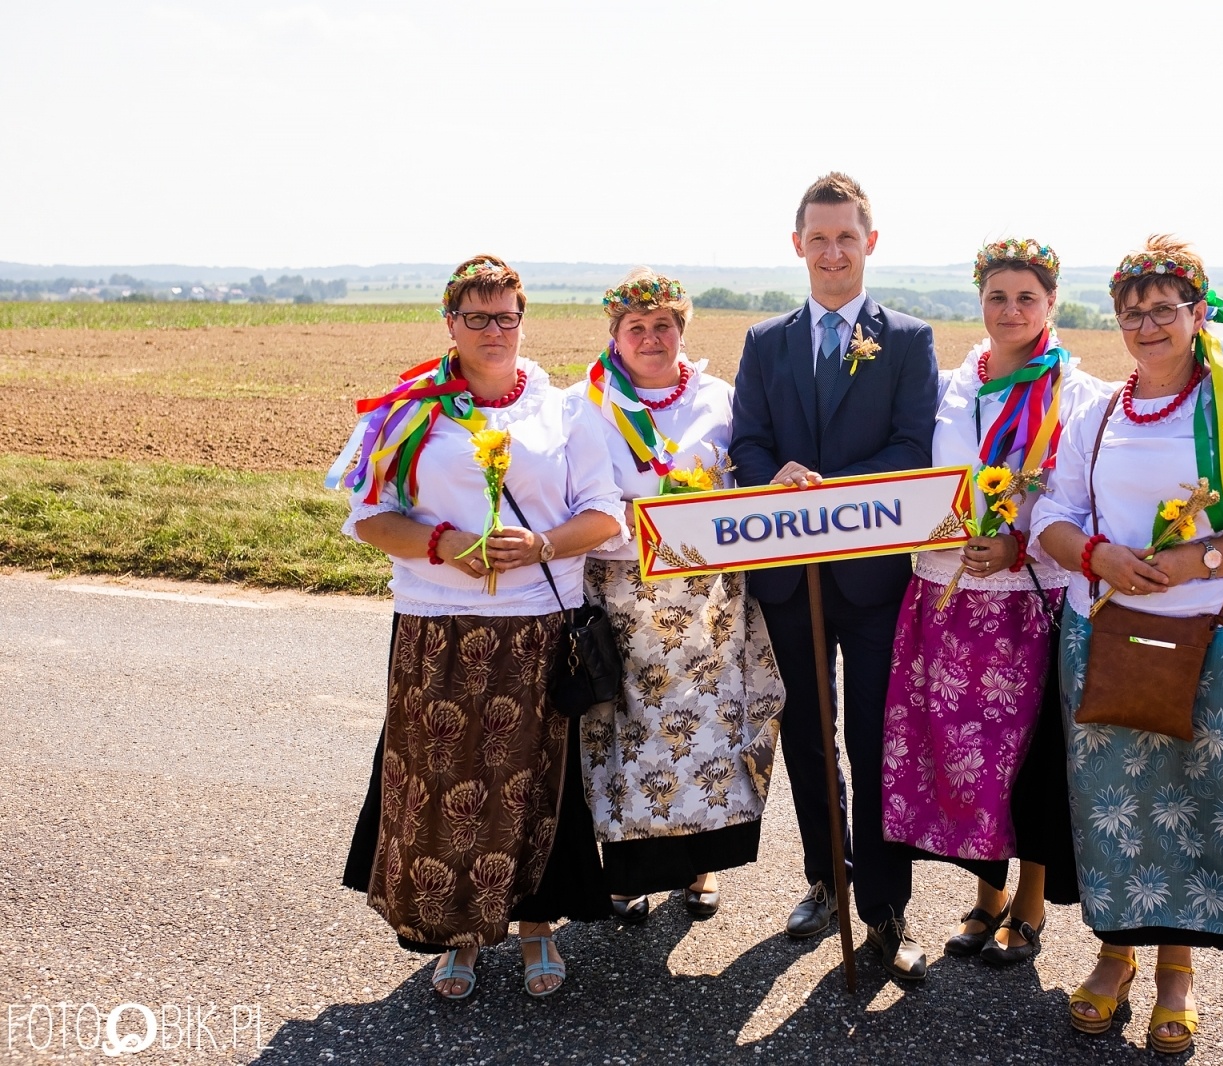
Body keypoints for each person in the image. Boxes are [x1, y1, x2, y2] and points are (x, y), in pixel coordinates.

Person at [1034, 236, 1223, 1055]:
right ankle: (1113, 956)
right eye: (1133, 313)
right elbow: (1049, 513)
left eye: (1165, 310)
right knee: (1115, 811)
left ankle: (1176, 973)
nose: (1147, 325)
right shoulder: (1098, 411)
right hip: (1105, 632)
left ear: (1198, 315)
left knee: (1189, 803)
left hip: (1209, 640)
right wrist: (1095, 554)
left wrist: (1199, 559)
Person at [335, 255, 628, 999]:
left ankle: (536, 929)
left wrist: (541, 545)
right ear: (450, 323)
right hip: (439, 625)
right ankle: (452, 936)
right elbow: (370, 518)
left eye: (506, 316)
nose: (493, 330)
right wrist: (445, 547)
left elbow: (605, 515)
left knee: (534, 788)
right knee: (442, 787)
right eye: (477, 317)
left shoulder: (565, 412)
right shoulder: (407, 410)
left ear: (523, 321)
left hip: (536, 628)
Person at [729, 172, 938, 981]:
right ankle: (827, 881)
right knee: (812, 743)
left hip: (874, 582)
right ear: (797, 246)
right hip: (788, 584)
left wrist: (835, 493)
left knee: (875, 740)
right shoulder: (764, 341)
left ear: (870, 243)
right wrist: (772, 476)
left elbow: (911, 449)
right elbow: (746, 444)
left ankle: (887, 912)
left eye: (846, 236)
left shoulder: (909, 339)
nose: (832, 251)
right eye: (818, 238)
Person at [879, 239, 1101, 969]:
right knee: (965, 761)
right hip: (942, 596)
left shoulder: (1079, 394)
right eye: (998, 296)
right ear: (980, 300)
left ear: (1051, 304)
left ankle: (1029, 909)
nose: (1011, 311)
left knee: (1024, 762)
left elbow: (1083, 504)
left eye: (1026, 298)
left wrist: (1021, 546)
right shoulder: (948, 386)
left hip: (1025, 604)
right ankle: (987, 896)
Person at [571, 268, 786, 922]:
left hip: (708, 608)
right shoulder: (584, 404)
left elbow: (746, 476)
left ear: (681, 329)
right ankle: (627, 876)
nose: (650, 337)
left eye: (663, 324)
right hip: (621, 597)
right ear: (615, 334)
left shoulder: (720, 399)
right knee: (623, 738)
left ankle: (701, 869)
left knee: (708, 742)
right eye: (636, 327)